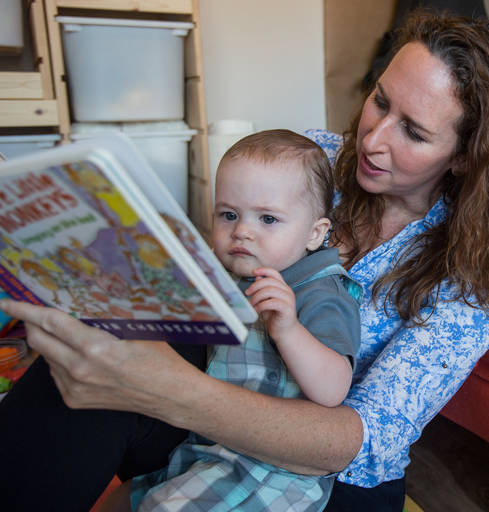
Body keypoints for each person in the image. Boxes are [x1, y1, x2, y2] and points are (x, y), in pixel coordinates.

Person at [0, 10, 489, 512]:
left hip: (330, 474)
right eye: (381, 101)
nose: (373, 138)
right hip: (224, 400)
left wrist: (168, 388)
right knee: (81, 364)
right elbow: (217, 256)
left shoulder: (481, 275)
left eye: (412, 131)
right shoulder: (315, 158)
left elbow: (359, 438)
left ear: (464, 156)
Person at [104, 130, 361, 512]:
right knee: (120, 500)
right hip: (209, 443)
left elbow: (333, 390)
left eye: (268, 219)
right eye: (228, 214)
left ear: (314, 234)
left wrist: (288, 329)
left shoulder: (320, 293)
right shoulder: (236, 270)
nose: (242, 230)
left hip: (271, 470)